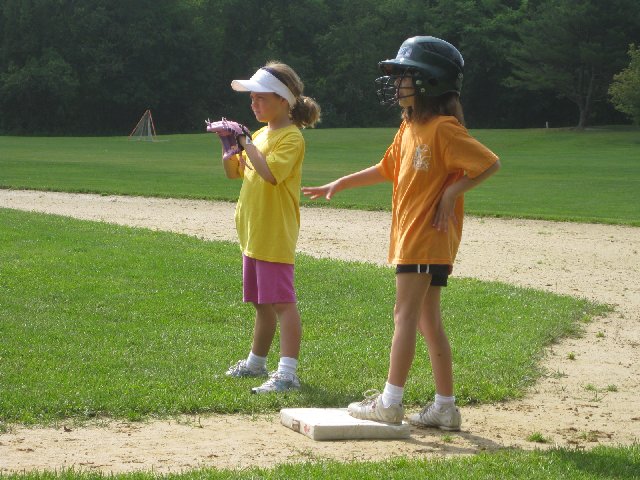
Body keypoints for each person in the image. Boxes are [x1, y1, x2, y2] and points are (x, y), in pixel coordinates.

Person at [302, 36, 500, 429]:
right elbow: (387, 168)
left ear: (429, 82)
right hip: (420, 238)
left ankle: (390, 402)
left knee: (404, 315)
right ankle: (445, 407)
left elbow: (489, 163)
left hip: (425, 236)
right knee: (427, 321)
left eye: (405, 77)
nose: (397, 84)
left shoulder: (443, 128)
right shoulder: (409, 126)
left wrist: (452, 193)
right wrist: (339, 183)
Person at [222, 62, 321, 393]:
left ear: (282, 100)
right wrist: (229, 149)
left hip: (274, 232)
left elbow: (270, 174)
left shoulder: (291, 138)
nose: (253, 103)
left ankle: (287, 374)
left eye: (260, 97)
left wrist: (245, 141)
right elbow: (235, 173)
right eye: (251, 98)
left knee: (282, 303)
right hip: (254, 232)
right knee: (261, 303)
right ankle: (256, 363)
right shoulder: (261, 134)